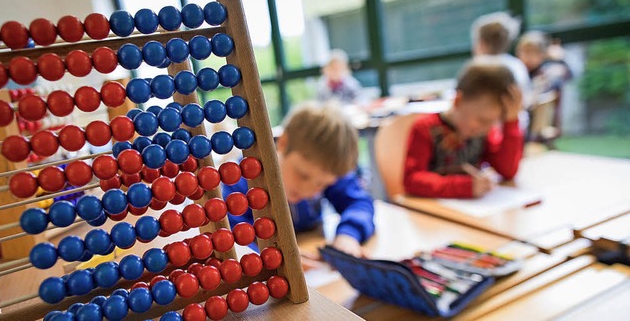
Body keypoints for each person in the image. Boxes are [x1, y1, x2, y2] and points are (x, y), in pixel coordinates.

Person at [223, 102, 375, 258]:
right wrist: (272, 257)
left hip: (310, 256)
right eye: (303, 175)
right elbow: (230, 237)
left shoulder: (328, 168)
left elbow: (359, 203)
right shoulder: (240, 182)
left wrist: (348, 235)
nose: (308, 191)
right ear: (283, 143)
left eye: (322, 185)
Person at [403, 61, 524, 198]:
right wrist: (464, 187)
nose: (486, 128)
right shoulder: (425, 129)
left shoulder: (485, 132)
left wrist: (511, 123)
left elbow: (507, 171)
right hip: (430, 211)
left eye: (493, 122)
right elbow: (411, 180)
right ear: (458, 101)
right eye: (481, 120)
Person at [516, 31, 572, 97]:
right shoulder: (516, 70)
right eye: (523, 51)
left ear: (543, 55)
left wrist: (563, 56)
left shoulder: (547, 72)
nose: (527, 57)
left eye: (533, 52)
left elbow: (572, 72)